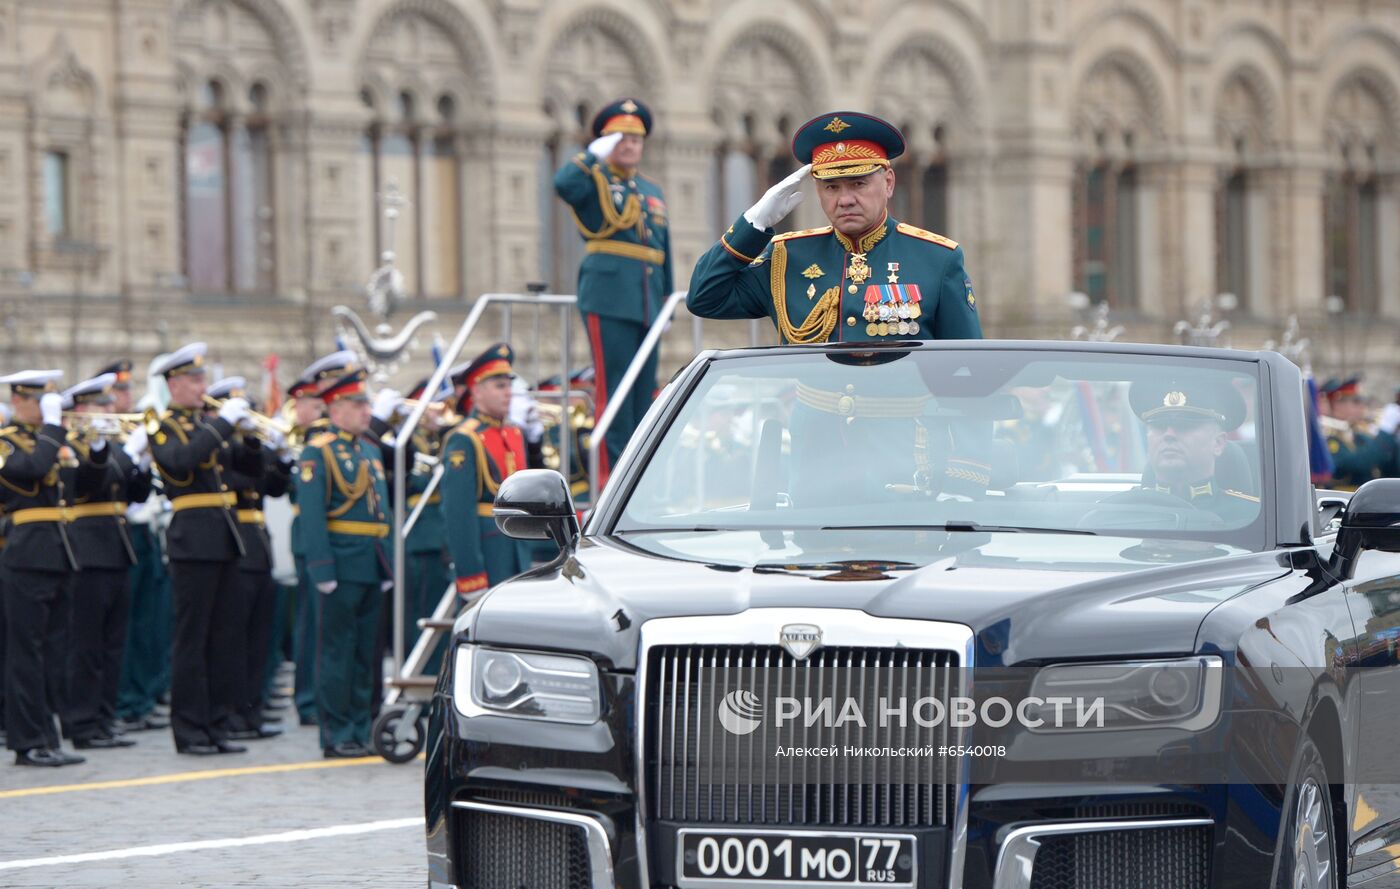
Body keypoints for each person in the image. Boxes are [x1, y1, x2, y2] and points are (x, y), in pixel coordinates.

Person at [689, 111, 981, 345]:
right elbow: (704, 297)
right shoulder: (786, 258)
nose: (845, 200)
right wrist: (753, 224)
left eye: (858, 184)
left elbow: (967, 364)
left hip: (899, 419)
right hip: (816, 420)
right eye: (831, 187)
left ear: (889, 182)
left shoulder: (937, 259)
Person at [149, 342, 263, 756]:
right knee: (192, 639)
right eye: (194, 379)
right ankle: (191, 729)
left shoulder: (208, 426)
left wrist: (250, 440)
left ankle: (218, 723)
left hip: (223, 538)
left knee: (223, 637)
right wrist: (221, 426)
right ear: (174, 384)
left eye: (202, 379)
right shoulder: (164, 426)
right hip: (192, 540)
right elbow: (180, 461)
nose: (202, 386)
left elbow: (249, 473)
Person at [554, 97, 672, 485]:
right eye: (620, 137)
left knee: (644, 393)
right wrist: (591, 157)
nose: (630, 145)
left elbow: (662, 250)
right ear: (605, 142)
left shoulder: (651, 189)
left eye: (636, 139)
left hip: (647, 299)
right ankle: (611, 479)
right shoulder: (591, 180)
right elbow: (563, 185)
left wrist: (667, 302)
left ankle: (639, 476)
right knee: (614, 389)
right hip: (608, 295)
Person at [0, 369, 98, 766]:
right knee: (27, 653)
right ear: (20, 400)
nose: (47, 409)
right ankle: (27, 742)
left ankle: (48, 736)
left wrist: (98, 456)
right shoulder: (6, 442)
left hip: (59, 551)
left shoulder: (50, 440)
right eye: (41, 401)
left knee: (54, 652)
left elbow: (79, 488)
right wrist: (55, 430)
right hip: (27, 554)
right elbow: (30, 471)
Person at [295, 368, 391, 758]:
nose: (366, 410)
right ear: (335, 409)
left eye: (366, 403)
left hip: (371, 562)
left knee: (366, 652)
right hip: (340, 562)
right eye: (357, 404)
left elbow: (382, 510)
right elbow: (313, 516)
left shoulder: (370, 449)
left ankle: (360, 726)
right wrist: (321, 567)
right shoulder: (317, 450)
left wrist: (386, 566)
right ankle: (336, 733)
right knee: (336, 651)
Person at [59, 373, 152, 750]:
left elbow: (133, 496)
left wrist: (142, 464)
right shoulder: (70, 446)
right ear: (81, 409)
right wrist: (101, 450)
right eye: (102, 404)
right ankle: (81, 722)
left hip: (116, 549)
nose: (111, 410)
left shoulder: (111, 447)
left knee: (114, 643)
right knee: (86, 645)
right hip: (87, 550)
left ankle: (104, 717)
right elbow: (87, 487)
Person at [206, 376, 288, 741]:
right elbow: (235, 480)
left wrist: (282, 460)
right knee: (233, 639)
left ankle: (251, 710)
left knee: (258, 639)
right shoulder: (216, 449)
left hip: (258, 544)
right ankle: (232, 712)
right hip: (233, 541)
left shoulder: (244, 446)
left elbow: (272, 486)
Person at [288, 350, 355, 727]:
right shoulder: (315, 435)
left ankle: (329, 697)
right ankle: (309, 699)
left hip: (345, 541)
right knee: (314, 623)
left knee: (335, 627)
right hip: (314, 538)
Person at [441, 344, 532, 598]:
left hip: (517, 554)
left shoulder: (514, 434)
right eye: (499, 386)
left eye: (508, 385)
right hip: (489, 557)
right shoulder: (464, 438)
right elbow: (458, 513)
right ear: (477, 391)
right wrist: (470, 574)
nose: (508, 393)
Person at [1124, 378, 1260, 524]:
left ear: (1218, 443)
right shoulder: (1122, 512)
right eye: (1160, 426)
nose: (1169, 434)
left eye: (1184, 426)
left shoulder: (1252, 518)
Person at [1322, 377, 1398, 490]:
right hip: (1343, 502)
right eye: (1356, 401)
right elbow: (1358, 463)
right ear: (1337, 405)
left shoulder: (1360, 435)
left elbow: (1391, 468)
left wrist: (1393, 437)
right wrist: (1385, 432)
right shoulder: (1327, 435)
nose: (1362, 406)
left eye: (1362, 401)